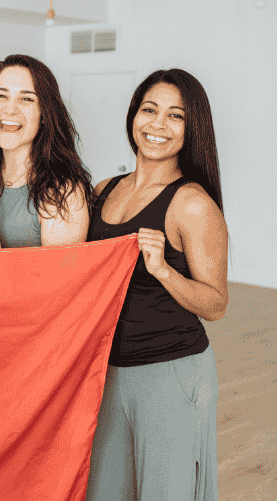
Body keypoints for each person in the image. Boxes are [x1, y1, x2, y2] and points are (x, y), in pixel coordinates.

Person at [85, 69, 228, 501]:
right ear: (133, 116)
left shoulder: (192, 204)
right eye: (149, 110)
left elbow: (216, 303)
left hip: (170, 372)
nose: (157, 124)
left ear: (192, 128)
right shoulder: (102, 189)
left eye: (175, 116)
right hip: (108, 372)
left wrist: (164, 269)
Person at [0, 55, 91, 247]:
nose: (10, 109)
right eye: (1, 95)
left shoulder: (61, 191)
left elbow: (63, 275)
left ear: (44, 113)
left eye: (26, 99)